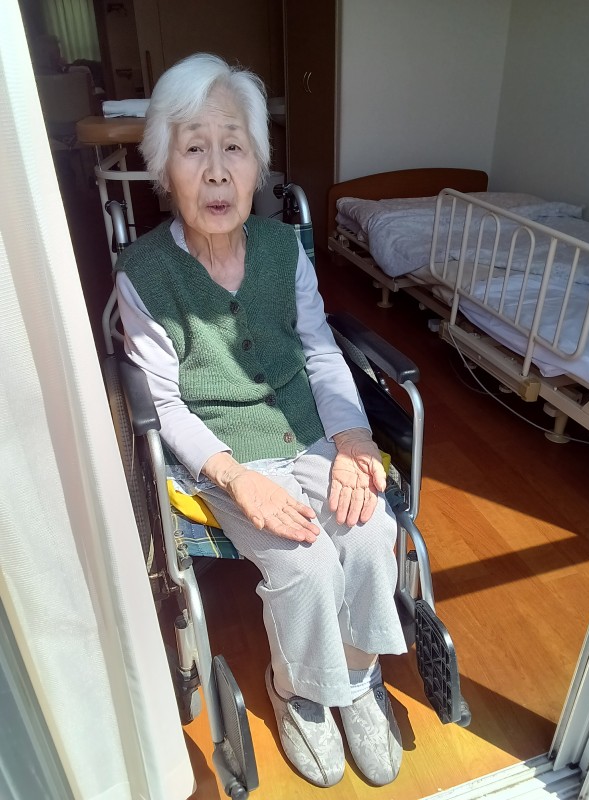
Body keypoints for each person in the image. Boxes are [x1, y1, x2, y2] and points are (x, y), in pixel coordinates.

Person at [115, 52, 407, 788]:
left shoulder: (283, 250)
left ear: (257, 168)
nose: (216, 172)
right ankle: (300, 691)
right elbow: (166, 404)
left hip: (308, 427)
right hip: (223, 455)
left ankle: (359, 679)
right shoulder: (143, 273)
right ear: (165, 169)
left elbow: (319, 350)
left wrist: (353, 437)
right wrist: (235, 479)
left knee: (371, 530)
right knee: (304, 563)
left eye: (233, 147)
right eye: (194, 148)